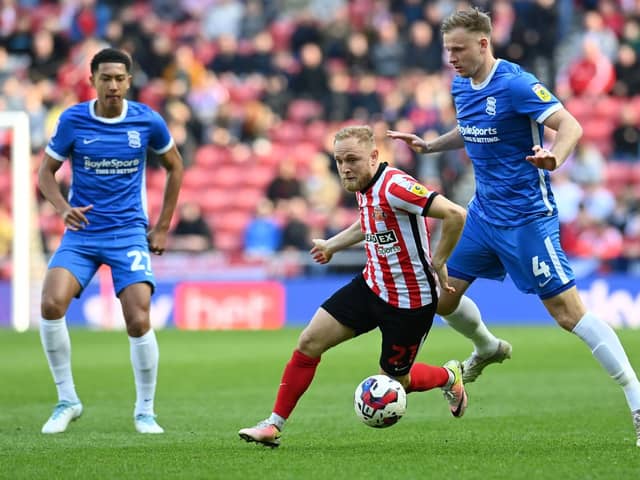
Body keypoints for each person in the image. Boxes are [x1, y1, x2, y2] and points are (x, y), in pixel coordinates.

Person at [386, 8, 640, 446]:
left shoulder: (517, 83)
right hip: (483, 215)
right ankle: (486, 347)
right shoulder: (461, 84)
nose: (452, 58)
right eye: (448, 50)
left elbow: (570, 125)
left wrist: (555, 157)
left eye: (459, 49)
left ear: (484, 44)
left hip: (527, 219)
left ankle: (636, 399)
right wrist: (432, 144)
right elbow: (472, 128)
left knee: (568, 314)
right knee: (441, 297)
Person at [238, 125, 468, 447]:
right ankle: (273, 425)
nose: (345, 168)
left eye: (352, 160)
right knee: (308, 342)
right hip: (371, 285)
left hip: (410, 301)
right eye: (339, 160)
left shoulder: (396, 186)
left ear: (374, 157)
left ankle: (448, 376)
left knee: (397, 380)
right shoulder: (363, 185)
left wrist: (440, 260)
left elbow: (456, 214)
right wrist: (333, 244)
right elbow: (368, 221)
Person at [37, 48, 184, 434]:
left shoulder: (147, 120)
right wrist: (61, 206)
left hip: (128, 233)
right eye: (106, 78)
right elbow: (46, 173)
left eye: (120, 78)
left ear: (129, 81)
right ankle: (67, 400)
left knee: (137, 318)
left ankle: (145, 411)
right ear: (93, 81)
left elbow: (175, 166)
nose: (113, 85)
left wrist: (163, 225)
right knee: (51, 303)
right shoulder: (72, 120)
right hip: (83, 234)